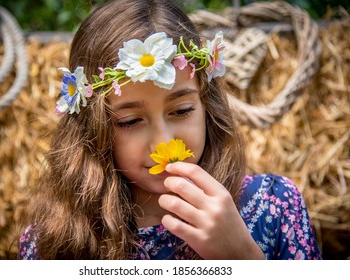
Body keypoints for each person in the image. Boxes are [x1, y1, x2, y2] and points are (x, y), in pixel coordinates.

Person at [18, 0, 321, 260]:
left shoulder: (275, 206)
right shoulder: (51, 243)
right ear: (91, 129)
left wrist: (243, 259)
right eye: (130, 121)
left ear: (207, 106)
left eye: (181, 111)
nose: (164, 142)